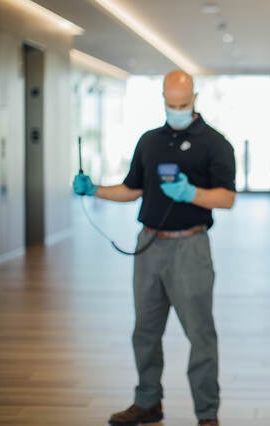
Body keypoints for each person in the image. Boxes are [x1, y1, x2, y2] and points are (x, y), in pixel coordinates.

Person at [73, 69, 236, 426]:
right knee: (144, 330)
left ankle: (207, 414)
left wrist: (191, 193)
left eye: (183, 103)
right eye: (170, 103)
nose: (176, 109)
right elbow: (132, 188)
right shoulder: (149, 141)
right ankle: (148, 402)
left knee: (200, 333)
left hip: (190, 247)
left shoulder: (215, 143)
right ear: (162, 98)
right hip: (148, 245)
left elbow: (227, 197)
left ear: (194, 98)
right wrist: (94, 189)